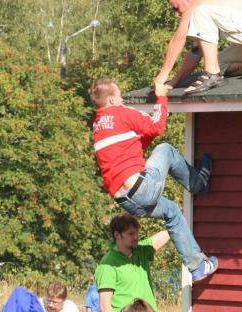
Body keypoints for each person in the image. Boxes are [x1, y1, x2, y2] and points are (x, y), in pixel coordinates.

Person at [90, 77, 217, 283]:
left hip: (127, 201)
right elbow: (157, 127)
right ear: (112, 100)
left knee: (172, 212)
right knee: (165, 149)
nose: (123, 98)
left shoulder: (98, 125)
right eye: (120, 95)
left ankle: (198, 266)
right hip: (142, 188)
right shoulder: (122, 112)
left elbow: (136, 143)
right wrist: (161, 96)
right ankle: (198, 183)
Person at [95, 214, 170, 312]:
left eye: (137, 233)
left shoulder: (141, 251)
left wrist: (177, 217)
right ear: (117, 235)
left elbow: (168, 233)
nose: (136, 237)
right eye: (131, 234)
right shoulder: (107, 265)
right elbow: (104, 305)